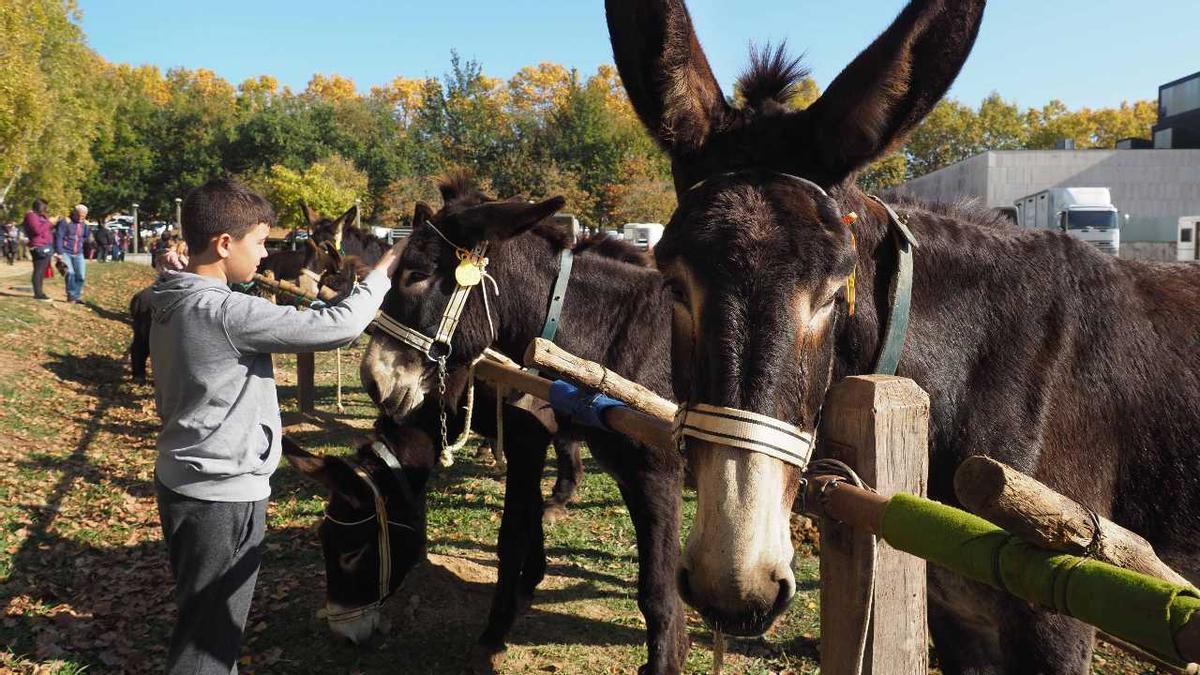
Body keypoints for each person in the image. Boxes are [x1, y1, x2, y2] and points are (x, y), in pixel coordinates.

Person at [150, 178, 401, 674]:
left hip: (185, 477)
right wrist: (382, 274)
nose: (266, 256)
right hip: (222, 493)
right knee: (209, 640)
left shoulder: (170, 294)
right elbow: (339, 327)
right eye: (261, 242)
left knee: (205, 619)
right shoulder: (224, 312)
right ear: (224, 244)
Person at [54, 204, 90, 303]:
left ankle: (76, 296)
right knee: (70, 273)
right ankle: (71, 295)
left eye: (83, 216)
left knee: (81, 276)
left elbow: (85, 236)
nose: (81, 218)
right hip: (66, 252)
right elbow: (59, 237)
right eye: (79, 215)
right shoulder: (65, 222)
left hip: (79, 253)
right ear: (74, 213)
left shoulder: (85, 224)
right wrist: (59, 252)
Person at [22, 199, 54, 300]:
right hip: (38, 246)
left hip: (46, 245)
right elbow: (37, 230)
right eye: (45, 207)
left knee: (42, 270)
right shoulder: (31, 216)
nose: (47, 209)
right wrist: (49, 223)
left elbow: (46, 228)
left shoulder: (41, 216)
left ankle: (40, 291)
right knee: (38, 270)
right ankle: (38, 293)